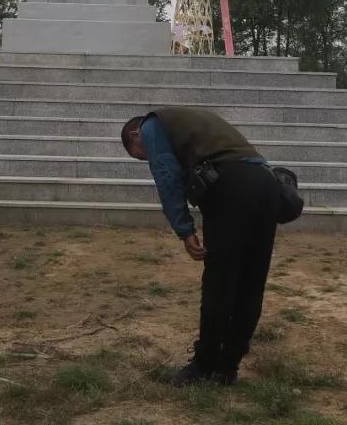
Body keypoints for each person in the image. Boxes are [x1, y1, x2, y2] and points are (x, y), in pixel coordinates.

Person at [120, 106, 281, 386]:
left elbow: (167, 176)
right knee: (251, 283)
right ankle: (227, 367)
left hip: (232, 188)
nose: (146, 158)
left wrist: (184, 230)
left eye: (140, 154)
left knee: (219, 282)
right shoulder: (192, 122)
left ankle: (203, 366)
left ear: (135, 134)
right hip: (269, 184)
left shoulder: (151, 125)